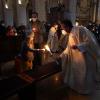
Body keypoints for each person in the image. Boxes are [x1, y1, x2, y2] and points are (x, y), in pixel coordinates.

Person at [60, 19, 100, 94]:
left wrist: (78, 46)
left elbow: (89, 41)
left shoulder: (80, 29)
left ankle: (86, 90)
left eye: (64, 27)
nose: (63, 30)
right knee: (77, 73)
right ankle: (78, 88)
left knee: (85, 74)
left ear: (68, 26)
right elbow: (69, 48)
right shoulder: (70, 34)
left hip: (85, 57)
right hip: (76, 59)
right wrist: (61, 55)